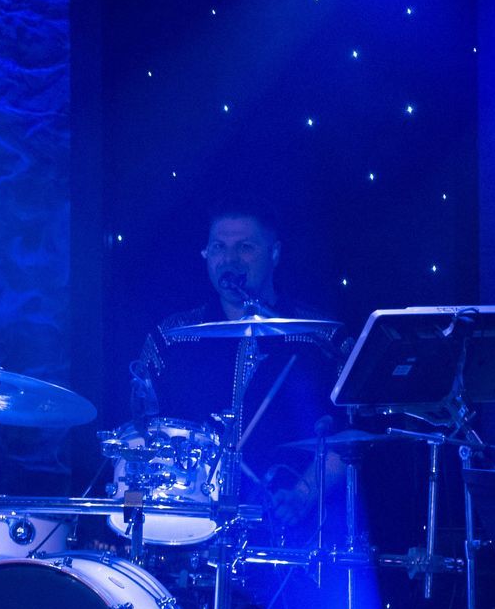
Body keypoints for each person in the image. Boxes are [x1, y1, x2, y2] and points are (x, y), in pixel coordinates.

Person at [130, 206, 342, 530]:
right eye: (218, 247)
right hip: (188, 534)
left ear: (274, 253)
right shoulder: (170, 338)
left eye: (245, 247)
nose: (229, 260)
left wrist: (303, 494)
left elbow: (348, 438)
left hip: (291, 535)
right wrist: (129, 521)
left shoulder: (319, 339)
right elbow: (136, 435)